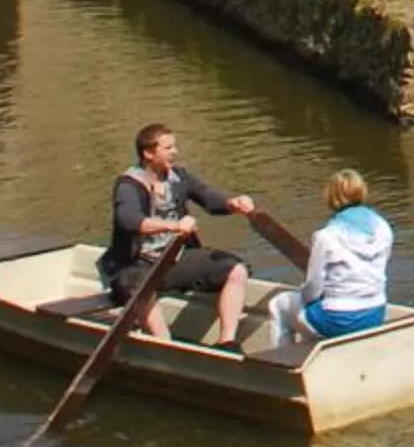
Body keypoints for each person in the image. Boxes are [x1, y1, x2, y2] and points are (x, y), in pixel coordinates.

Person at [100, 122, 261, 348]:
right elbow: (129, 220)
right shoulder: (128, 185)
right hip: (137, 264)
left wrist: (233, 203)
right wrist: (173, 226)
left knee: (236, 269)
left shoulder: (178, 177)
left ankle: (227, 342)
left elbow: (208, 198)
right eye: (168, 148)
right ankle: (164, 344)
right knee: (136, 285)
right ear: (148, 153)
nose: (175, 152)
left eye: (174, 146)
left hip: (175, 259)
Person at [265, 168, 396, 349]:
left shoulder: (326, 236)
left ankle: (281, 363)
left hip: (338, 320)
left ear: (331, 197)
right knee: (312, 310)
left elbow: (313, 287)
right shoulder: (383, 228)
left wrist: (306, 299)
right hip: (376, 313)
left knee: (278, 305)